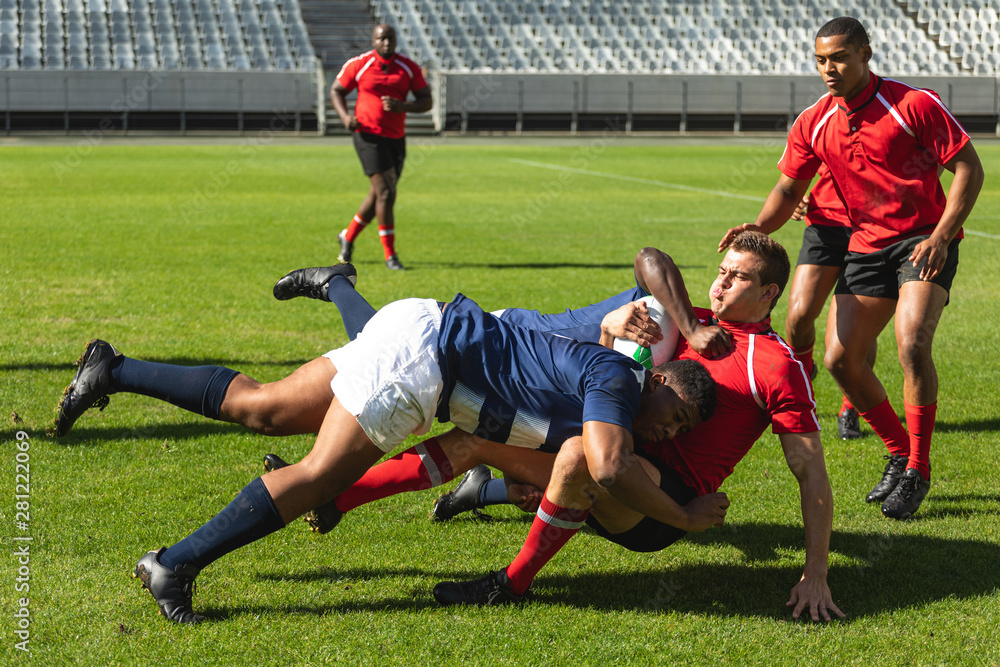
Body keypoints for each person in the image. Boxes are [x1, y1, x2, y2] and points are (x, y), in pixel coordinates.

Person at [53, 269, 719, 624]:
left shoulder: (608, 355)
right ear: (656, 375)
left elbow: (609, 327)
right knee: (315, 476)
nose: (668, 431)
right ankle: (174, 563)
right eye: (673, 415)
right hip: (424, 364)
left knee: (263, 408)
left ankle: (114, 368)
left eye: (679, 430)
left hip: (417, 325)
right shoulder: (618, 380)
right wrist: (684, 516)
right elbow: (607, 463)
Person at [275, 231, 842, 622]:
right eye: (721, 272)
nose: (721, 285)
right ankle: (338, 499)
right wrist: (617, 324)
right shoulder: (687, 321)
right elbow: (649, 261)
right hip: (605, 437)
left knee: (577, 455)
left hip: (661, 500)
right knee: (478, 433)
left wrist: (815, 574)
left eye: (739, 278)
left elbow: (810, 472)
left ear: (769, 293)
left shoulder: (773, 364)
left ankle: (510, 583)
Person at [718, 17, 984, 521]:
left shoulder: (913, 105)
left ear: (865, 53)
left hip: (921, 243)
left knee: (913, 342)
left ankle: (918, 470)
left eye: (838, 57)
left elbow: (970, 167)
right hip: (864, 248)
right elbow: (789, 190)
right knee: (841, 359)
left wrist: (942, 236)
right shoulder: (815, 119)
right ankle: (898, 449)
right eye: (820, 60)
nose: (828, 69)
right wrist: (758, 228)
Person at [331, 24, 432, 270]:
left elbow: (426, 101)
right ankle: (391, 255)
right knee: (386, 193)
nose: (386, 43)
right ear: (374, 40)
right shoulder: (360, 63)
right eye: (381, 38)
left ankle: (348, 236)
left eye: (391, 38)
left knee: (379, 194)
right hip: (367, 135)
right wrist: (345, 118)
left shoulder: (408, 68)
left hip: (396, 138)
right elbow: (336, 90)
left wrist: (402, 106)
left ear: (396, 40)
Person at [785, 164, 874, 440]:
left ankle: (851, 408)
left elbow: (932, 161)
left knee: (857, 328)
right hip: (825, 222)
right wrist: (798, 191)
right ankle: (802, 377)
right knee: (799, 315)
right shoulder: (817, 119)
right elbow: (801, 161)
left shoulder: (897, 119)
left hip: (873, 225)